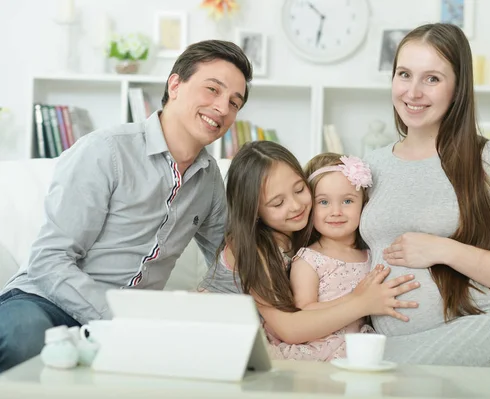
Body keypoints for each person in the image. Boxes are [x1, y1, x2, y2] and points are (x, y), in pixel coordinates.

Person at [0, 40, 253, 372]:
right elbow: (49, 261)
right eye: (212, 90)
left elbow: (231, 259)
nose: (222, 108)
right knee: (24, 336)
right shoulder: (105, 151)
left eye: (234, 102)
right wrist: (120, 319)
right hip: (46, 304)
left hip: (135, 326)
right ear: (175, 85)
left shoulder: (210, 182)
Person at [360, 23, 490, 382]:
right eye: (404, 74)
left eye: (432, 79)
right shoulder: (370, 165)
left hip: (488, 327)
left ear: (458, 87)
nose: (413, 92)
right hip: (396, 340)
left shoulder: (486, 159)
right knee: (356, 363)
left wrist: (443, 249)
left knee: (372, 372)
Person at [198, 141, 420, 352]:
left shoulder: (301, 235)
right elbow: (290, 329)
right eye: (278, 203)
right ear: (254, 211)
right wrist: (361, 302)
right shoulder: (252, 248)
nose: (295, 206)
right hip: (204, 332)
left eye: (299, 189)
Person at [267, 152, 383, 361]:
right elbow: (304, 309)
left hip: (358, 344)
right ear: (310, 206)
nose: (336, 211)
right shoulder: (309, 259)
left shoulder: (371, 254)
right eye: (323, 202)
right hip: (321, 345)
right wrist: (358, 300)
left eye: (348, 201)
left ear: (364, 204)